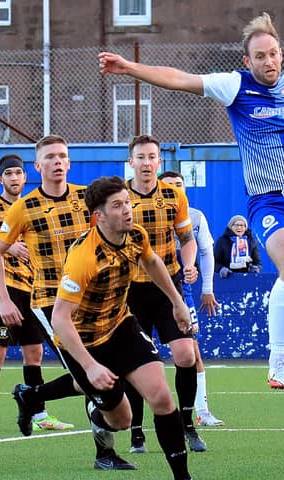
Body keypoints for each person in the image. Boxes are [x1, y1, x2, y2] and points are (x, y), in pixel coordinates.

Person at [98, 12, 284, 407]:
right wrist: (129, 67)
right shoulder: (235, 86)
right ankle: (277, 357)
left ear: (281, 54)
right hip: (267, 200)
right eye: (260, 56)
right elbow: (180, 79)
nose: (269, 62)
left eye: (274, 54)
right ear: (247, 61)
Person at [0, 135, 133, 469]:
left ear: (69, 163)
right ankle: (104, 453)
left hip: (94, 302)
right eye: (49, 157)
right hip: (49, 303)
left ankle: (32, 395)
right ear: (37, 166)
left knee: (98, 373)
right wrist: (5, 299)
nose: (57, 161)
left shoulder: (87, 199)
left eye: (62, 156)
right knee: (90, 373)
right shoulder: (23, 207)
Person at [50, 175, 193, 480]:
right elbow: (60, 319)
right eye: (118, 205)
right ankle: (90, 408)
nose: (128, 210)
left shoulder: (135, 235)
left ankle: (183, 476)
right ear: (98, 216)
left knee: (162, 398)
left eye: (127, 202)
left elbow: (153, 263)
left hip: (120, 326)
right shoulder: (83, 257)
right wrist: (89, 367)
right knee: (121, 421)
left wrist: (177, 302)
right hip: (83, 342)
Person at [122, 135, 205, 453]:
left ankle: (188, 425)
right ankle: (136, 431)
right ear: (131, 161)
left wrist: (189, 264)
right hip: (129, 290)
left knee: (186, 355)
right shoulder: (119, 196)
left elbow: (187, 238)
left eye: (151, 157)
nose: (146, 163)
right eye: (140, 157)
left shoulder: (173, 195)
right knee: (136, 363)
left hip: (168, 287)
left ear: (159, 162)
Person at [0, 154, 72, 433]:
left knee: (34, 351)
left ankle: (39, 412)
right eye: (8, 174)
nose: (14, 178)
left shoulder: (31, 207)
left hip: (34, 288)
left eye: (18, 173)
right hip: (3, 286)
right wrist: (7, 247)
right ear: (0, 179)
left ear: (25, 176)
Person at [158, 171, 224, 426]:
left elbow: (206, 251)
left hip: (180, 292)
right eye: (170, 185)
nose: (175, 188)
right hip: (142, 289)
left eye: (179, 184)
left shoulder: (194, 217)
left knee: (192, 350)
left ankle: (201, 410)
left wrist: (207, 288)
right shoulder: (146, 212)